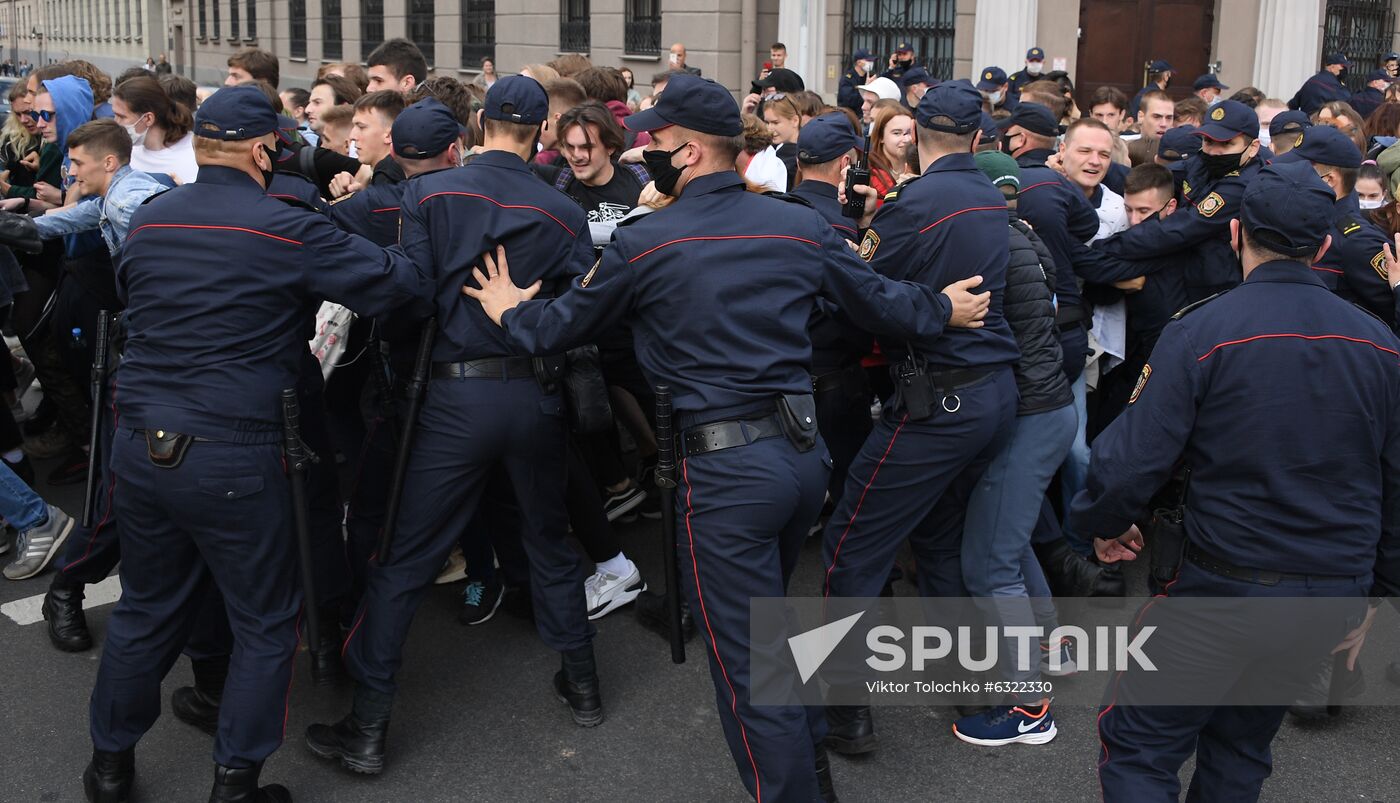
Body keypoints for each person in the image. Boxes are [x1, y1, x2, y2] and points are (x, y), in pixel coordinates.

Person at [461, 69, 977, 803]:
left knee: (749, 668)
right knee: (771, 639)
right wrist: (943, 309)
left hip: (727, 476)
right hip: (800, 463)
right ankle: (812, 777)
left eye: (659, 144)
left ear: (694, 152)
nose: (648, 155)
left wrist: (511, 308)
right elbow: (882, 302)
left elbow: (558, 327)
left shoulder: (647, 241)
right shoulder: (798, 223)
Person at [83, 84, 429, 803]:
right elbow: (396, 284)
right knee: (267, 621)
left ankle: (108, 768)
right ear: (264, 149)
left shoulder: (149, 220)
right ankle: (235, 782)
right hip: (238, 447)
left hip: (142, 444)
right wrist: (414, 215)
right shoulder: (285, 226)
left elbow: (133, 295)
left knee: (145, 610)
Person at [1074, 160, 1399, 802]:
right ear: (1326, 246)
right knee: (1240, 751)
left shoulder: (1201, 331)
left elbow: (1133, 458)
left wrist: (1102, 525)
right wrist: (1376, 596)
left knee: (1141, 749)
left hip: (1221, 585)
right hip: (1325, 589)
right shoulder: (1381, 343)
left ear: (1233, 235)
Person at [306, 82, 603, 775]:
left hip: (451, 396)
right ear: (543, 131)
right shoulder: (560, 209)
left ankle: (369, 726)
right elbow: (580, 301)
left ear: (478, 124)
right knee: (549, 537)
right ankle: (584, 683)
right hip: (530, 392)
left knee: (405, 554)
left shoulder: (429, 196)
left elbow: (394, 278)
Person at [820, 79, 1021, 757]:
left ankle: (845, 710)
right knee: (938, 540)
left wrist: (854, 249)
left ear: (919, 136)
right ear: (976, 138)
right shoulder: (988, 195)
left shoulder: (916, 203)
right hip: (990, 393)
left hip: (940, 400)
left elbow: (858, 295)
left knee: (851, 545)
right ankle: (976, 687)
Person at [951, 149, 1075, 745]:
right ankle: (1050, 648)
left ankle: (1029, 708)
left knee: (988, 564)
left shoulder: (995, 243)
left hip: (1029, 415)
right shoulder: (1021, 232)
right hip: (1048, 410)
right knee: (1012, 540)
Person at [1275, 124, 1393, 325]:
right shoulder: (1306, 222)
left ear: (1329, 179)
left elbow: (1390, 314)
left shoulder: (1358, 242)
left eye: (1299, 170)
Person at [112, 76, 198, 185]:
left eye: (121, 117)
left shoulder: (194, 153)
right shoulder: (124, 155)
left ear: (148, 118)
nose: (116, 122)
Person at [1290, 52, 1354, 115]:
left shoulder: (1311, 81)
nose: (1345, 70)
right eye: (1343, 67)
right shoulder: (1336, 86)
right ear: (1332, 67)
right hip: (1325, 122)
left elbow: (1292, 105)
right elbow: (1349, 104)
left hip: (1307, 122)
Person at [838, 48, 876, 118]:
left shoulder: (870, 77)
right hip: (850, 118)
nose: (871, 63)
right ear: (859, 62)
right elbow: (848, 100)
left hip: (866, 117)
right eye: (868, 60)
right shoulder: (847, 79)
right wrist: (865, 88)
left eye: (872, 61)